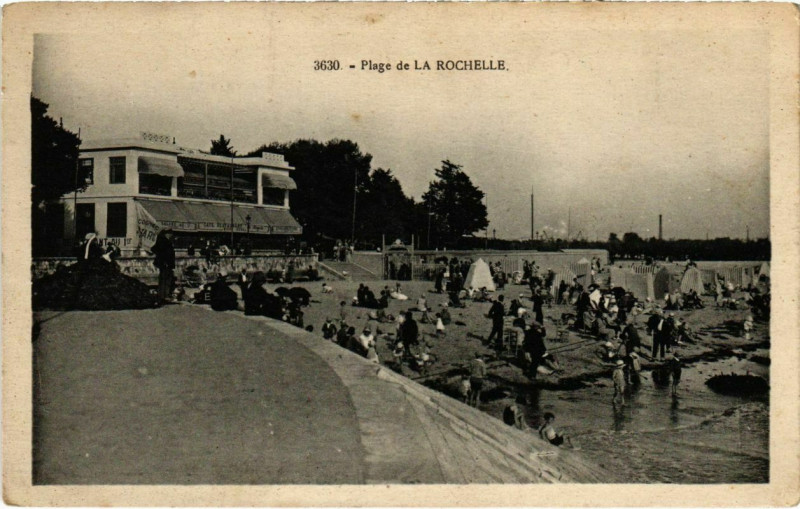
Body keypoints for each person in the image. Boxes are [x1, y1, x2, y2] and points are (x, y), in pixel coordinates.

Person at [151, 229, 176, 304]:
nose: (171, 235)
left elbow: (153, 249)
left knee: (163, 279)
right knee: (166, 280)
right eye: (170, 234)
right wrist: (164, 261)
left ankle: (162, 295)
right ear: (167, 234)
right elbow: (166, 253)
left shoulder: (161, 241)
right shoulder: (165, 242)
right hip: (166, 264)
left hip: (164, 263)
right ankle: (165, 295)